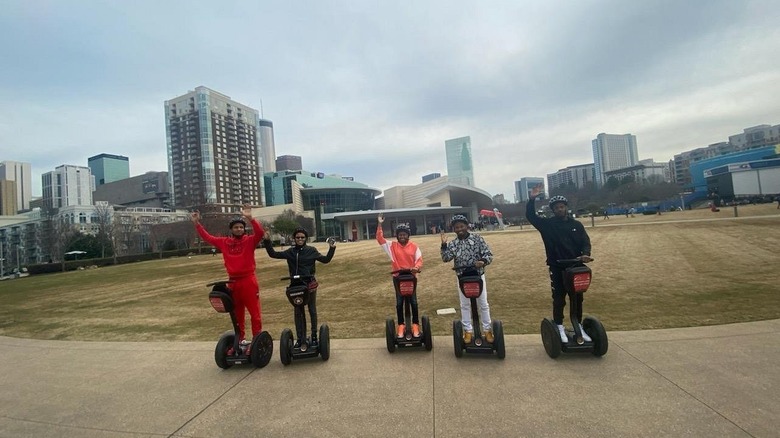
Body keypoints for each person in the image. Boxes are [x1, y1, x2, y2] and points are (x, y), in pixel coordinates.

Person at [526, 188, 593, 344]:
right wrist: (532, 200)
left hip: (576, 266)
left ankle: (579, 325)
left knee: (577, 298)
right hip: (557, 267)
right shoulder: (547, 225)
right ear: (553, 210)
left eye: (562, 207)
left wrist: (585, 253)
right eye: (556, 208)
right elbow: (531, 217)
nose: (559, 209)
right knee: (559, 298)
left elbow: (585, 241)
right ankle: (559, 325)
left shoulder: (576, 225)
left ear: (566, 207)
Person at [192, 204, 265, 347]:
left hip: (248, 281)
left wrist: (250, 218)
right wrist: (196, 223)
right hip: (232, 283)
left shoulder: (250, 241)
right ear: (231, 229)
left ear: (244, 229)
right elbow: (208, 237)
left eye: (241, 227)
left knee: (255, 314)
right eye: (236, 227)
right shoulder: (224, 242)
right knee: (237, 314)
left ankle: (257, 340)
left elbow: (260, 233)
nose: (239, 229)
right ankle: (241, 339)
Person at [263, 227, 335, 347]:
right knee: (298, 311)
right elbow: (273, 254)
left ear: (305, 238)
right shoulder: (290, 252)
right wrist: (267, 241)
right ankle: (300, 338)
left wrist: (332, 248)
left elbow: (326, 260)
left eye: (302, 237)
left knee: (312, 309)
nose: (300, 239)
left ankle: (313, 336)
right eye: (297, 237)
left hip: (309, 283)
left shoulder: (311, 250)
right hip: (295, 285)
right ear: (294, 239)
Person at [440, 214, 494, 344]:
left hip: (477, 275)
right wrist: (443, 245)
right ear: (454, 229)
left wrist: (483, 261)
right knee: (464, 305)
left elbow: (488, 254)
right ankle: (468, 331)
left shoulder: (477, 239)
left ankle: (487, 330)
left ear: (467, 226)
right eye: (457, 227)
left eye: (462, 226)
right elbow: (446, 258)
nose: (459, 229)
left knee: (483, 304)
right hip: (462, 277)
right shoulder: (453, 244)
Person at [376, 214, 423, 338]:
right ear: (397, 236)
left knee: (413, 302)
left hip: (411, 277)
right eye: (400, 235)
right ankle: (401, 325)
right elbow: (380, 239)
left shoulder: (414, 246)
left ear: (408, 235)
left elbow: (419, 259)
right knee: (399, 302)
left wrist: (416, 268)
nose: (402, 237)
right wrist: (380, 224)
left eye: (404, 235)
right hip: (398, 278)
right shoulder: (392, 246)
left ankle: (415, 324)